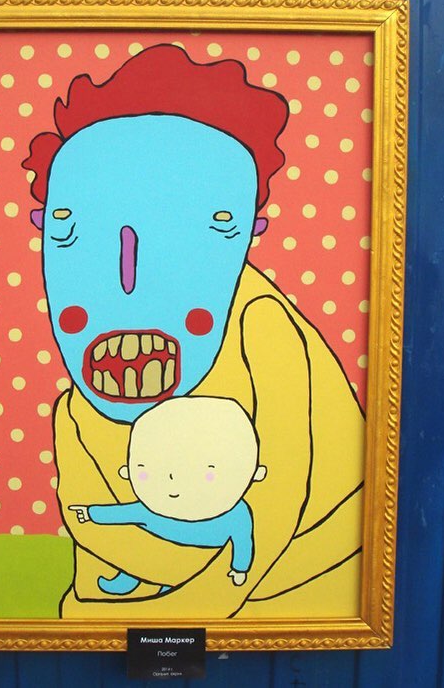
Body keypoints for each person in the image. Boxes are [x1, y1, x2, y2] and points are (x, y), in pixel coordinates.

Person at [23, 45, 365, 619]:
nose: (128, 281)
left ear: (249, 238)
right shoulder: (74, 418)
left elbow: (276, 503)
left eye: (201, 231)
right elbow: (95, 543)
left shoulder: (265, 334)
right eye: (68, 232)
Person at [68, 397, 267, 595]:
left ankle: (161, 588)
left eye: (209, 475)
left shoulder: (236, 515)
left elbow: (243, 541)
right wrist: (91, 513)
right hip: (153, 551)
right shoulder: (151, 509)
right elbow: (123, 513)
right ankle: (130, 576)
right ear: (127, 471)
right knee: (140, 551)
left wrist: (239, 568)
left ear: (254, 473)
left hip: (197, 563)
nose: (175, 486)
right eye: (145, 473)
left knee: (172, 580)